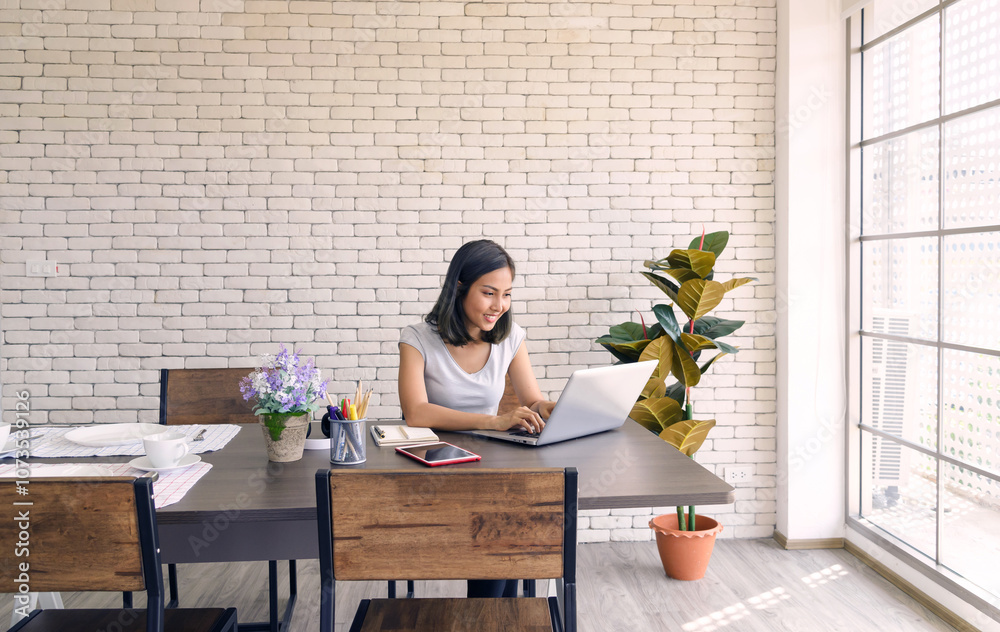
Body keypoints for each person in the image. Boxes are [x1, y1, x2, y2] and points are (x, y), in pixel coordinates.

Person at [397, 239, 556, 598]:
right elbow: (416, 413)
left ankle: (496, 613)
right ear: (460, 287)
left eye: (507, 294)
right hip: (435, 468)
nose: (499, 305)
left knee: (514, 517)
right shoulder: (418, 339)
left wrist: (548, 407)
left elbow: (532, 399)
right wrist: (495, 421)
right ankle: (494, 612)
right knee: (503, 523)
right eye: (489, 293)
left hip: (488, 464)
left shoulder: (510, 338)